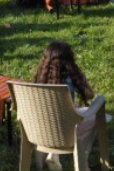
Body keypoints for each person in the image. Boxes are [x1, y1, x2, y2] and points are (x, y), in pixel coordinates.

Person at [34, 41, 96, 170]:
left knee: (52, 121)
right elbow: (90, 95)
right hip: (67, 128)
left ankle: (43, 162)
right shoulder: (71, 79)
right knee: (95, 116)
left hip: (40, 127)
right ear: (69, 60)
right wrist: (80, 78)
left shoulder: (40, 78)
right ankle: (82, 162)